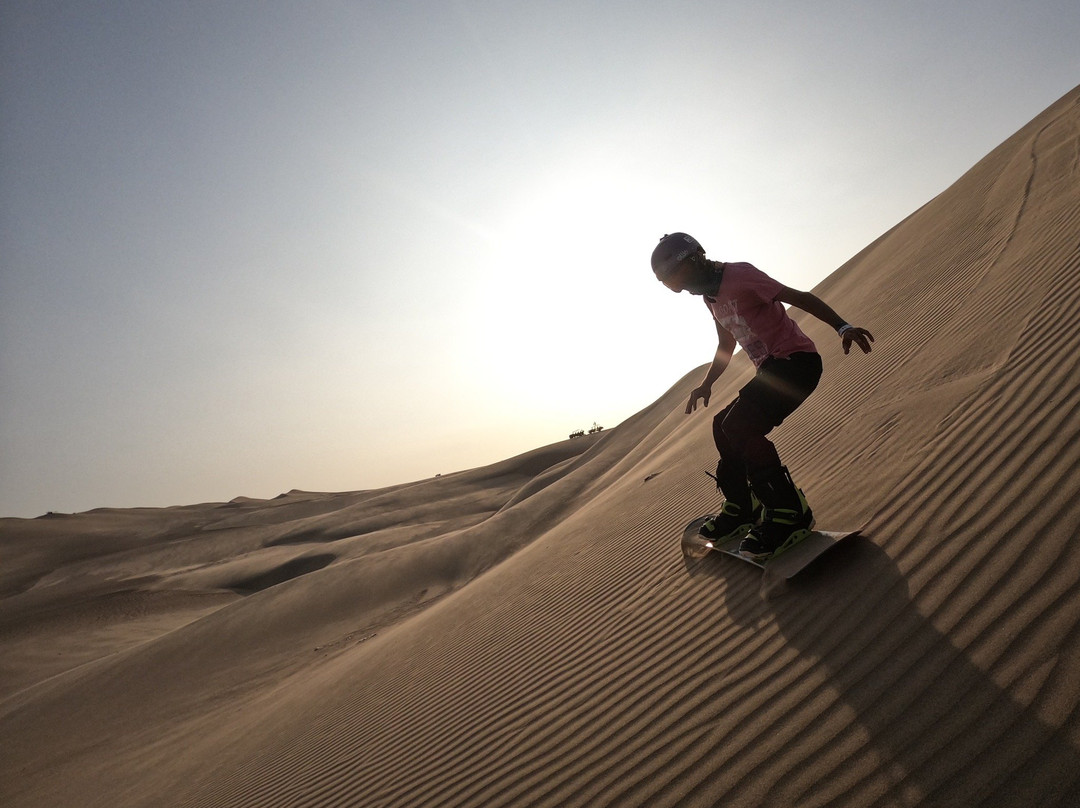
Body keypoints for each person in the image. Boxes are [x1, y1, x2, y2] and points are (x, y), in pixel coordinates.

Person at [651, 232, 874, 561]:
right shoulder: (709, 296)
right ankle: (743, 506)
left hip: (797, 364)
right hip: (771, 370)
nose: (685, 291)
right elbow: (725, 345)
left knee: (740, 426)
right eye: (677, 288)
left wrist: (842, 326)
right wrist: (707, 383)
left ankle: (789, 511)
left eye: (682, 282)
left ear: (695, 260)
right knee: (721, 425)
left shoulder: (741, 276)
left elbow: (798, 297)